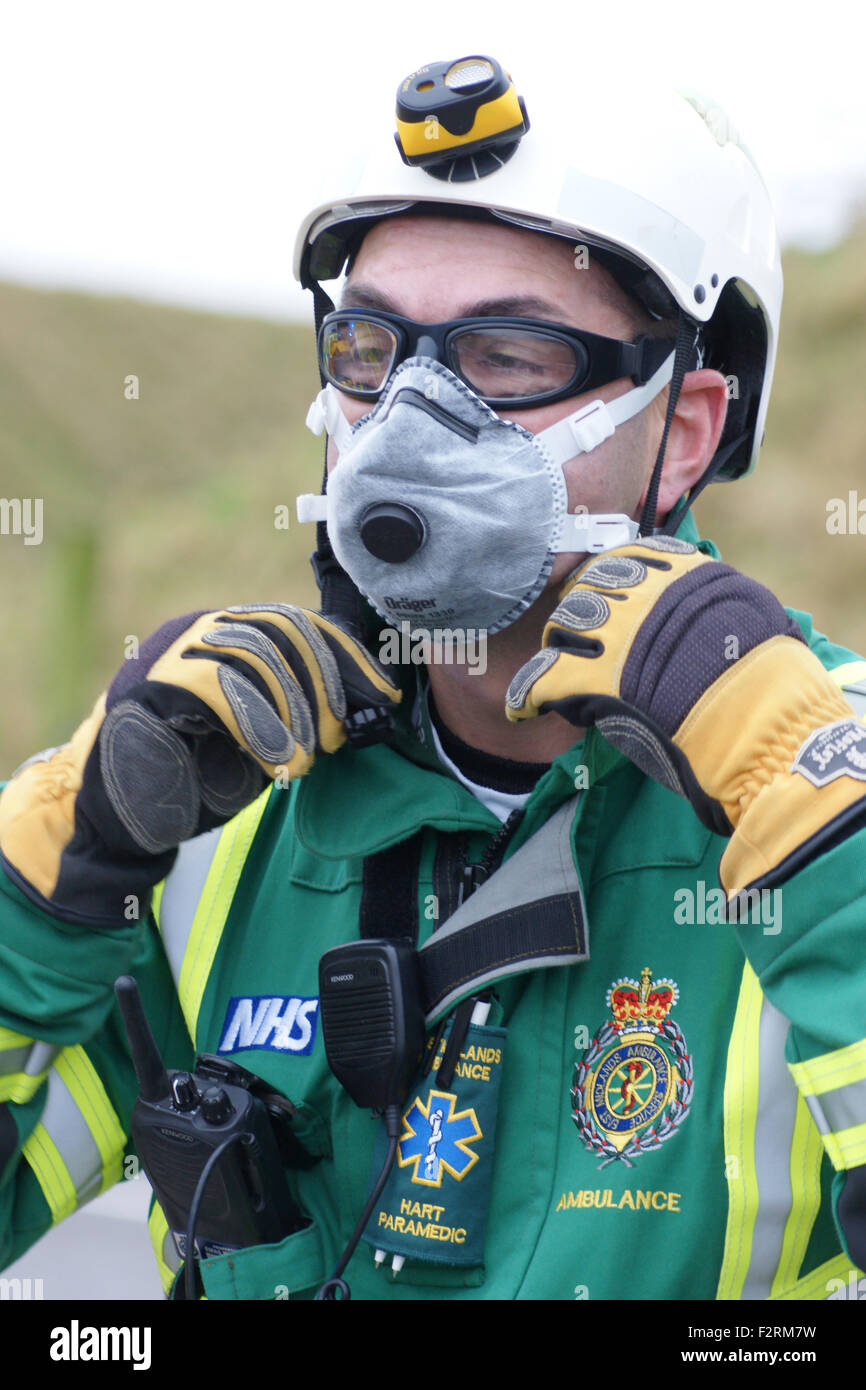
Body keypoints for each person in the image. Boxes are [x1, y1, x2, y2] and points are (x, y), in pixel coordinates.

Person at [1, 55, 865, 1303]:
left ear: (681, 428)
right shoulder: (208, 823)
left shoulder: (824, 788)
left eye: (507, 354)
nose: (409, 418)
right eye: (368, 349)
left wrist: (828, 843)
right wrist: (49, 869)